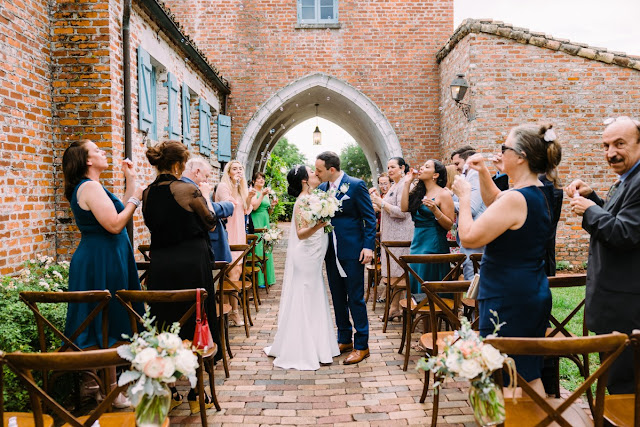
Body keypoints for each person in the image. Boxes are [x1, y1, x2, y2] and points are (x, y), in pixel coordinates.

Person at [453, 123, 561, 395]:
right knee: (525, 371)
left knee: (509, 378)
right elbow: (497, 202)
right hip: (528, 291)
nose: (499, 153)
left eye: (504, 148)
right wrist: (484, 173)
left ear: (521, 156)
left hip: (508, 297)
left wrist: (464, 197)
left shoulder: (516, 198)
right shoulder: (536, 191)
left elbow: (468, 237)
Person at [62, 139, 142, 409]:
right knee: (103, 321)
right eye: (97, 150)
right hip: (100, 261)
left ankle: (111, 387)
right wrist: (134, 200)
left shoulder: (95, 186)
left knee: (111, 318)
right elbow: (115, 224)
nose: (103, 152)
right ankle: (103, 386)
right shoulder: (90, 187)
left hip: (109, 258)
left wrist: (130, 179)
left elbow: (125, 204)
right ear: (86, 160)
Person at [142, 141, 221, 413]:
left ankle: (171, 389)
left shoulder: (146, 193)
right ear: (177, 165)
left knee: (166, 320)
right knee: (197, 319)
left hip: (161, 263)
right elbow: (210, 220)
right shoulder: (187, 189)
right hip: (191, 263)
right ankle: (198, 392)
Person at [566, 116, 640, 394]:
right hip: (617, 308)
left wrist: (589, 210)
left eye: (620, 144)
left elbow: (625, 234)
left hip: (629, 312)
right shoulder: (627, 180)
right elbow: (617, 222)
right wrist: (595, 200)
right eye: (606, 145)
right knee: (616, 385)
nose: (611, 153)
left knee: (625, 390)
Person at [264, 165, 339, 370]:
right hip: (306, 255)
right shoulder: (302, 201)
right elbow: (300, 233)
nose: (316, 174)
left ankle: (317, 345)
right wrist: (320, 224)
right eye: (312, 173)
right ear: (305, 180)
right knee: (306, 294)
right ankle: (302, 347)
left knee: (314, 294)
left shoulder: (317, 197)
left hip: (315, 254)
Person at [315, 151, 377, 365]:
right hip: (330, 251)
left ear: (332, 169)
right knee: (338, 297)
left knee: (356, 298)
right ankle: (344, 339)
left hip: (353, 251)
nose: (316, 174)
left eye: (319, 170)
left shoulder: (356, 185)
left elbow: (370, 219)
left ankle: (362, 345)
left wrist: (368, 247)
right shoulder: (322, 189)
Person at [400, 160, 454, 294]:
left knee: (428, 282)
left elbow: (449, 225)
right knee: (416, 280)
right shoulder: (419, 192)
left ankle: (432, 312)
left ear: (435, 175)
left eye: (426, 166)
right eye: (422, 165)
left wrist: (436, 211)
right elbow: (404, 208)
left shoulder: (443, 194)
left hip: (433, 245)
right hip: (417, 243)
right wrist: (407, 182)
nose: (421, 168)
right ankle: (418, 312)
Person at [370, 157, 414, 319]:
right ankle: (395, 307)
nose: (389, 170)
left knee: (398, 273)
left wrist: (380, 203)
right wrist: (376, 202)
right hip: (391, 234)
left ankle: (396, 307)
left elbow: (402, 212)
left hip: (400, 235)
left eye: (393, 167)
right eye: (388, 167)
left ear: (402, 168)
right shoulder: (395, 185)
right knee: (394, 273)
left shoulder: (404, 185)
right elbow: (388, 208)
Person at [215, 160, 256, 326]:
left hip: (239, 231)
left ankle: (232, 310)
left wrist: (249, 197)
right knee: (229, 272)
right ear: (228, 171)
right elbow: (228, 207)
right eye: (235, 168)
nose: (238, 171)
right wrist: (235, 186)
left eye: (240, 168)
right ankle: (233, 311)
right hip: (227, 232)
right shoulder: (224, 186)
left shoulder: (241, 187)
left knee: (237, 271)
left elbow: (246, 209)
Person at [180, 158, 234, 262]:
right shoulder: (192, 189)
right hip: (202, 249)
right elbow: (209, 212)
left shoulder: (185, 186)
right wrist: (228, 205)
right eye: (206, 176)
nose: (207, 181)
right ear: (197, 172)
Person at [451, 146, 487, 280]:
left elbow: (471, 208)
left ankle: (475, 301)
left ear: (467, 162)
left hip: (475, 233)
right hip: (468, 235)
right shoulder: (465, 177)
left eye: (457, 163)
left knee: (473, 277)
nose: (455, 168)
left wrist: (446, 204)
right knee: (469, 274)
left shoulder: (475, 176)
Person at [250, 172, 277, 288]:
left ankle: (268, 278)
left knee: (267, 248)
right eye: (258, 179)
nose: (261, 180)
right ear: (253, 181)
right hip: (257, 221)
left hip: (265, 221)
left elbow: (268, 211)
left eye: (263, 178)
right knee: (259, 247)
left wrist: (273, 205)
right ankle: (259, 280)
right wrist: (262, 194)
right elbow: (254, 207)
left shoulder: (265, 193)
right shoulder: (253, 192)